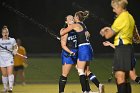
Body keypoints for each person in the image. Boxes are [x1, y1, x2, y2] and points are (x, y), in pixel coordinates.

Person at [60, 11, 104, 93]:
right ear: (66, 21)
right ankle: (96, 86)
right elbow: (63, 35)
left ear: (76, 18)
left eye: (72, 17)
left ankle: (85, 91)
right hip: (80, 50)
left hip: (81, 50)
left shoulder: (74, 26)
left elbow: (62, 32)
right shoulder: (82, 25)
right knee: (85, 71)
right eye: (69, 18)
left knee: (81, 71)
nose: (72, 18)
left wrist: (62, 32)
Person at [100, 0, 135, 93]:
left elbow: (108, 35)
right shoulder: (130, 17)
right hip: (129, 49)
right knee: (126, 78)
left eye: (114, 8)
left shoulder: (121, 18)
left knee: (119, 76)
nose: (113, 10)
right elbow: (137, 37)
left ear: (120, 7)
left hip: (122, 49)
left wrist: (104, 31)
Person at [0, 25, 18, 92]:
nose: (5, 33)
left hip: (9, 58)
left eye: (7, 32)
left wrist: (15, 50)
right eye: (4, 32)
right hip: (1, 59)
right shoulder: (0, 41)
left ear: (8, 33)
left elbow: (16, 47)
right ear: (2, 33)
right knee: (4, 74)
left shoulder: (12, 40)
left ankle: (10, 87)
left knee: (10, 73)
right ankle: (5, 88)